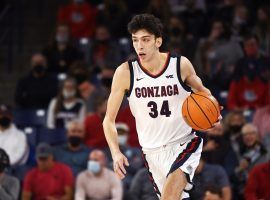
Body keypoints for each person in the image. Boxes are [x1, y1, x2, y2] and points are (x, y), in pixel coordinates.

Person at [103, 14, 220, 200]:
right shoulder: (125, 73)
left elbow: (204, 93)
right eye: (135, 40)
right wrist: (116, 153)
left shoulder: (179, 65)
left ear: (158, 41)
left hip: (184, 143)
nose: (139, 45)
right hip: (151, 151)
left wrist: (214, 112)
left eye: (145, 40)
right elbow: (108, 120)